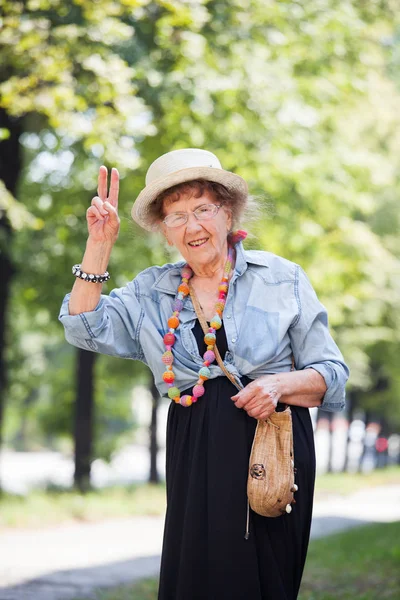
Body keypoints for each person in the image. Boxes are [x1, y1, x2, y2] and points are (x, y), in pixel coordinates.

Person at [59, 148, 349, 600]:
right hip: (194, 446)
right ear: (164, 230)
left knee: (264, 583)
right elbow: (83, 327)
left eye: (203, 209)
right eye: (176, 216)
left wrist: (277, 384)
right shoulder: (152, 293)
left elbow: (332, 374)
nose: (192, 226)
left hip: (272, 445)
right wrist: (99, 244)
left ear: (227, 212)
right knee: (194, 579)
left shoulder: (282, 278)